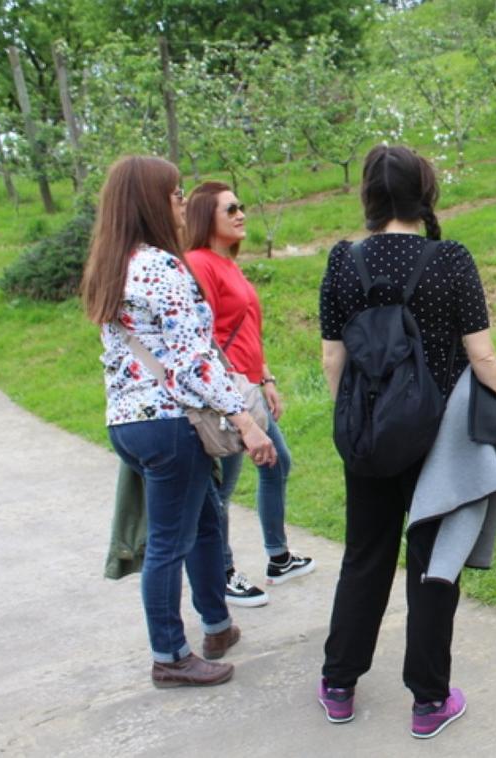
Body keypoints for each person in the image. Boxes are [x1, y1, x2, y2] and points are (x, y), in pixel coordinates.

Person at [317, 145, 496, 736]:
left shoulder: (344, 261)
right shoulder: (450, 258)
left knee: (365, 555)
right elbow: (481, 355)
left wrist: (355, 421)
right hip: (437, 438)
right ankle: (429, 701)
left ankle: (339, 684)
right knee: (432, 564)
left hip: (368, 435)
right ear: (425, 191)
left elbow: (333, 358)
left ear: (369, 195)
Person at [80, 155, 276, 687]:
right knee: (170, 541)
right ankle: (169, 655)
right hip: (170, 424)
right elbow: (193, 361)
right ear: (149, 201)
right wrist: (245, 419)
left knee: (205, 519)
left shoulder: (111, 264)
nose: (180, 203)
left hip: (128, 423)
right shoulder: (161, 268)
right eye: (173, 194)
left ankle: (217, 624)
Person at [183, 182, 315, 608]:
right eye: (230, 209)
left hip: (248, 388)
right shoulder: (199, 263)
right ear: (207, 218)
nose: (241, 214)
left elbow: (245, 330)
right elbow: (202, 338)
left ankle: (278, 557)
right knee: (223, 488)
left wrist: (267, 377)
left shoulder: (228, 263)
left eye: (241, 206)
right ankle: (221, 574)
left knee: (277, 463)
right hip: (226, 396)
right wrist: (234, 393)